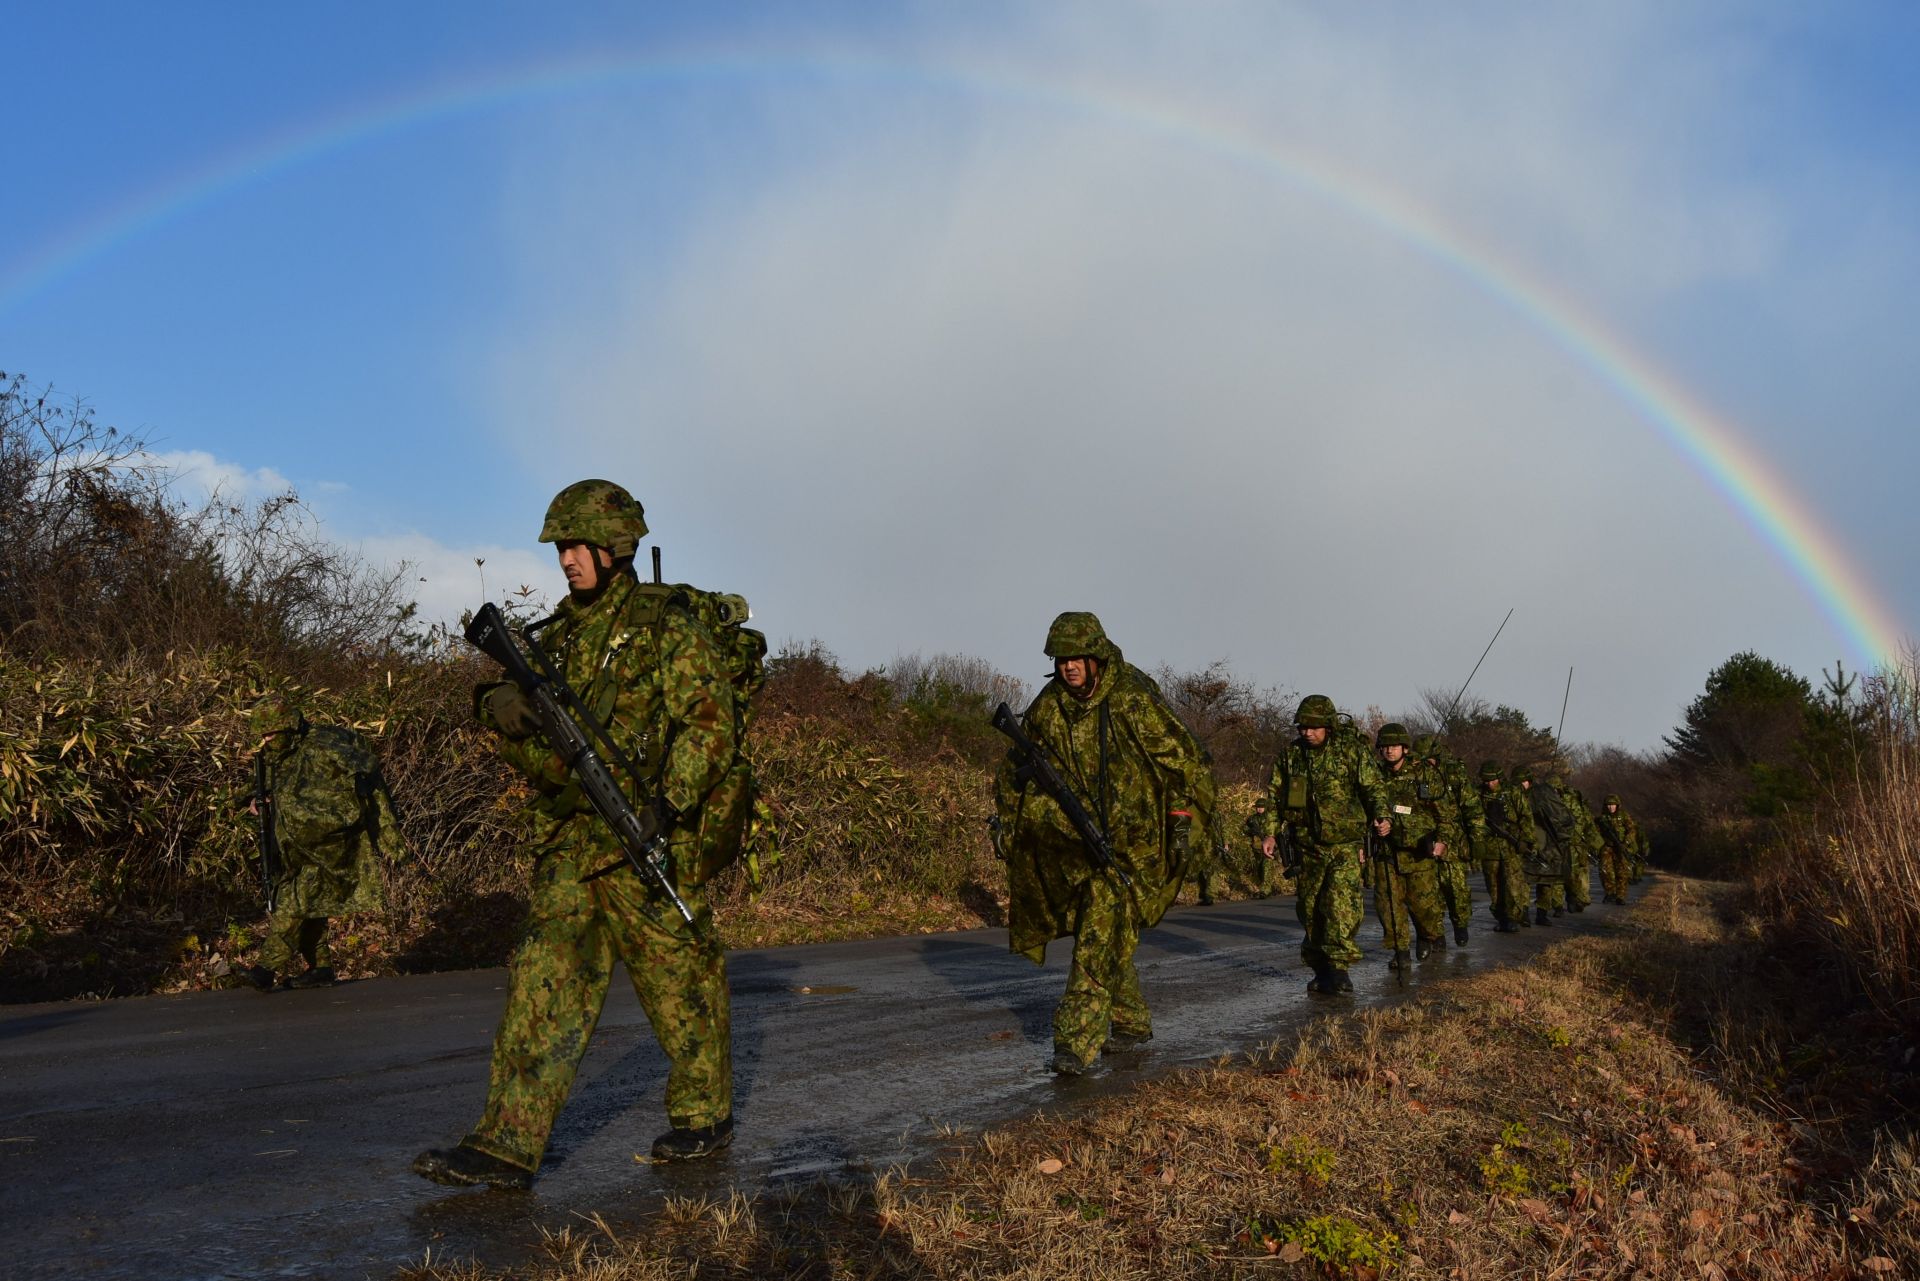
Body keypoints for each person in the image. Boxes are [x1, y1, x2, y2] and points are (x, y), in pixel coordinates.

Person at [414, 479, 748, 1190]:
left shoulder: (664, 624)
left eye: (576, 545)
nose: (565, 558)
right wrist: (497, 700)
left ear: (614, 545)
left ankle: (703, 1116)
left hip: (642, 836)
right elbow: (515, 698)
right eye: (560, 546)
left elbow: (709, 723)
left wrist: (667, 805)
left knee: (681, 982)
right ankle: (505, 1144)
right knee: (543, 986)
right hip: (571, 840)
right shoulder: (557, 635)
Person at [995, 612, 1215, 1076]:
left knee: (1097, 931)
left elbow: (1187, 767)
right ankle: (1130, 1022)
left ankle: (1074, 1042)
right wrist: (1008, 825)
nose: (1068, 666)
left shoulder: (1132, 699)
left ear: (1096, 657)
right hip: (1074, 844)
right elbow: (1014, 770)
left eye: (1077, 657)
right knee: (1100, 929)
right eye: (1061, 659)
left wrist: (1181, 834)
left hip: (1134, 846)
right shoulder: (1049, 707)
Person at [236, 693, 403, 992]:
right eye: (263, 735)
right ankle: (321, 968)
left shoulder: (323, 744)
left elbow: (365, 766)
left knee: (296, 900)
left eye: (270, 734)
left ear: (287, 725)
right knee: (310, 901)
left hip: (329, 842)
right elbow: (280, 785)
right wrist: (261, 799)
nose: (266, 740)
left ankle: (265, 969)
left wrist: (375, 825)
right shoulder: (282, 752)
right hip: (295, 844)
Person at [1258, 695, 1391, 995]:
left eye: (1313, 727)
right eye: (1302, 727)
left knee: (1341, 906)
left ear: (1328, 726)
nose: (1307, 732)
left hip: (1345, 844)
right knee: (1311, 909)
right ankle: (1320, 968)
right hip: (1307, 846)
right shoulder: (1292, 756)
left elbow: (1373, 788)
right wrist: (1270, 834)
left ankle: (1339, 968)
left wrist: (1382, 816)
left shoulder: (1350, 751)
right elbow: (1274, 797)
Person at [1371, 724, 1444, 975]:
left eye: (1394, 746)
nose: (1389, 751)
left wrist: (1442, 841)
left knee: (1424, 908)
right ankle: (1400, 951)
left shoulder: (1424, 774)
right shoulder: (1373, 775)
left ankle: (1426, 935)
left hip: (1418, 851)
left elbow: (1444, 813)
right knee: (1388, 904)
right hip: (1387, 852)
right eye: (1384, 746)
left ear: (1404, 748)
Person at [1416, 735, 1485, 946]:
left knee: (1456, 889)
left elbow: (1472, 808)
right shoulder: (1414, 776)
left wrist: (1476, 839)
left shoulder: (1453, 775)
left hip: (1453, 841)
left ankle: (1460, 923)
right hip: (1423, 840)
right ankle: (1436, 934)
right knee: (1429, 892)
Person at [1474, 761, 1532, 933]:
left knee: (1513, 884)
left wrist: (1526, 840)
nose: (1489, 784)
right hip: (1489, 847)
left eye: (1492, 780)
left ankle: (1513, 917)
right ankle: (1501, 918)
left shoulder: (1513, 792)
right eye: (1486, 781)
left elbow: (1526, 817)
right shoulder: (1478, 794)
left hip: (1511, 846)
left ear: (1499, 778)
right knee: (1493, 886)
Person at [1513, 765, 1574, 925]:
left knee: (1546, 879)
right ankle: (1523, 912)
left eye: (1523, 782)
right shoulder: (1513, 795)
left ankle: (1542, 913)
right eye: (1517, 782)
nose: (1520, 785)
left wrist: (1560, 835)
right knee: (1524, 878)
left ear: (1529, 781)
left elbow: (1560, 816)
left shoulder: (1542, 793)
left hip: (1548, 841)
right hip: (1525, 841)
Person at [1594, 793, 1640, 904]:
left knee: (1622, 872)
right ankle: (1610, 893)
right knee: (1605, 870)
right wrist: (1598, 845)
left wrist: (1626, 842)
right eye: (1609, 805)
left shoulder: (1624, 816)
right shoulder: (1602, 818)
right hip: (1607, 847)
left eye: (1613, 805)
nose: (1611, 807)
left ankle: (1621, 896)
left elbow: (1632, 830)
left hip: (1621, 846)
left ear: (1617, 805)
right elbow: (1595, 833)